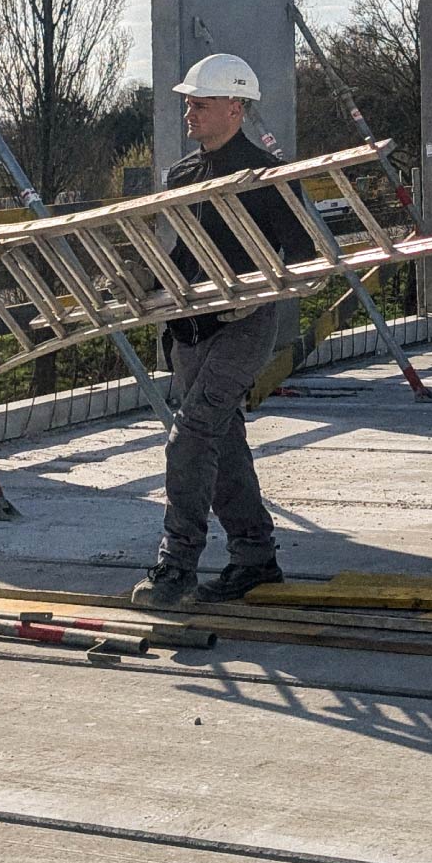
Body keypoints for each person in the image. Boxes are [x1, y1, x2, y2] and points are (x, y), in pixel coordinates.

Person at [131, 52, 309, 610]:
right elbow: (184, 255)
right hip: (191, 328)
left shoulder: (266, 178)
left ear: (235, 107)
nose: (190, 113)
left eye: (200, 105)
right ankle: (255, 559)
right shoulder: (182, 175)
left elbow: (303, 254)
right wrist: (148, 284)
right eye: (188, 104)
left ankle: (176, 566)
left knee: (190, 438)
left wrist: (260, 285)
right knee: (221, 440)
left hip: (244, 324)